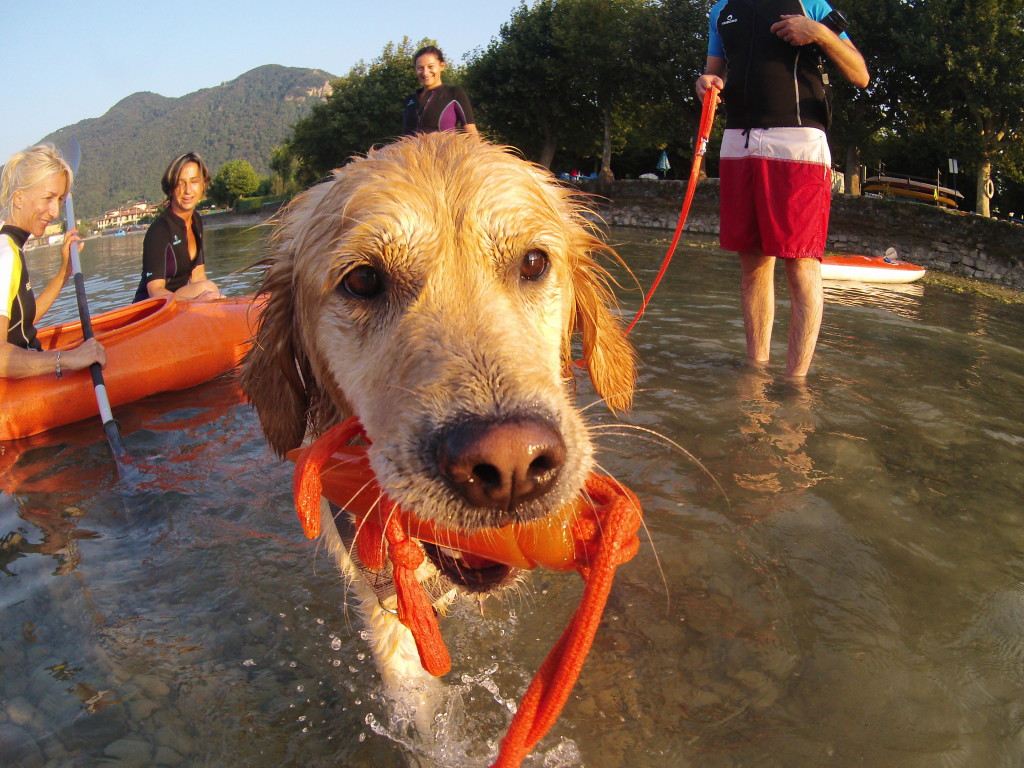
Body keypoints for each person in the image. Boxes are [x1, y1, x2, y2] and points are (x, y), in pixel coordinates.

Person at [696, 1, 869, 377]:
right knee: (752, 264)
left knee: (801, 261)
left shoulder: (812, 4)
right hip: (738, 139)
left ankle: (795, 382)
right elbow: (713, 73)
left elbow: (860, 75)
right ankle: (755, 371)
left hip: (799, 140)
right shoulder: (721, 9)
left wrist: (820, 33)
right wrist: (705, 83)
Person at [0, 144, 106, 379]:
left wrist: (64, 273)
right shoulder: (5, 254)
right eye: (48, 198)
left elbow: (19, 322)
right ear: (18, 198)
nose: (55, 211)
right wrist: (67, 359)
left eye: (59, 199)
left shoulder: (11, 246)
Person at [133, 152, 224, 303]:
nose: (188, 190)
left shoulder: (196, 220)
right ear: (170, 189)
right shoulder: (160, 230)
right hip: (151, 310)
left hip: (179, 304)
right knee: (208, 288)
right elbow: (154, 290)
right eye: (180, 183)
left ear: (203, 185)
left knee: (209, 289)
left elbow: (198, 276)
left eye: (194, 181)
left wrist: (211, 301)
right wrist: (196, 301)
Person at [402, 45, 479, 136]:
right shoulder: (410, 99)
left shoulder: (454, 94)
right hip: (412, 150)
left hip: (445, 149)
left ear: (442, 66)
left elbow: (471, 132)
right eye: (420, 68)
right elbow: (405, 136)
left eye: (430, 67)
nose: (425, 72)